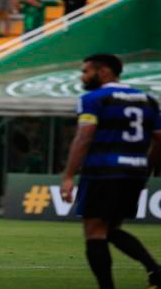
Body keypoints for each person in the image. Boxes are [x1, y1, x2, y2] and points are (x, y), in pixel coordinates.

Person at [60, 54, 161, 289]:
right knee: (111, 229)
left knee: (94, 231)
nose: (83, 77)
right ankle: (155, 270)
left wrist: (68, 176)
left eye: (86, 71)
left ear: (104, 71)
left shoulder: (93, 99)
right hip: (134, 171)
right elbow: (159, 139)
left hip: (103, 170)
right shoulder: (148, 99)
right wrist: (147, 167)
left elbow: (84, 136)